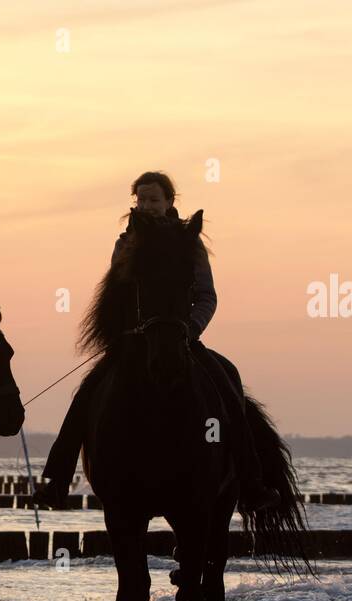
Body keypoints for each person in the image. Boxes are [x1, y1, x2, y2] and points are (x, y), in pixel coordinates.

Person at [32, 171, 280, 511]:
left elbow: (207, 296)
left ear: (169, 203)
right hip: (134, 342)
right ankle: (57, 480)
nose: (147, 205)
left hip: (179, 338)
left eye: (154, 199)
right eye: (141, 200)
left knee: (227, 385)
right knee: (86, 394)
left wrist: (189, 330)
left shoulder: (188, 242)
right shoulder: (124, 243)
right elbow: (116, 296)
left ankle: (251, 482)